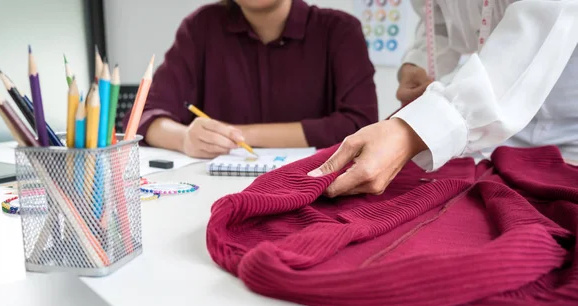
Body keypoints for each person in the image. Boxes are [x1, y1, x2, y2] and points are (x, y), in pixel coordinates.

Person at [309, 0, 578, 197]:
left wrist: (411, 132)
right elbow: (435, 16)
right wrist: (418, 63)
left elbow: (543, 24)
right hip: (489, 142)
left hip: (570, 133)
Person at [129, 0, 378, 158]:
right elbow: (146, 116)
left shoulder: (340, 30)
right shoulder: (201, 27)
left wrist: (238, 135)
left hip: (314, 193)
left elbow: (360, 124)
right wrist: (184, 139)